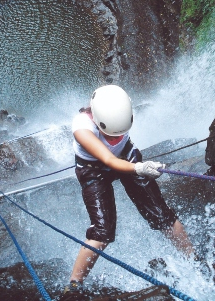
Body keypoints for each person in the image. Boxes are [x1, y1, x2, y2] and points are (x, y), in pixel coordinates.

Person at [63, 85, 194, 296]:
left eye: (118, 134)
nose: (114, 137)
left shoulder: (121, 110)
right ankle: (74, 285)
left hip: (126, 156)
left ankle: (193, 259)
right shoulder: (82, 127)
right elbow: (108, 159)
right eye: (110, 135)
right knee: (102, 231)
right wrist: (139, 168)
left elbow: (119, 152)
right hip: (94, 169)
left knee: (161, 214)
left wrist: (136, 165)